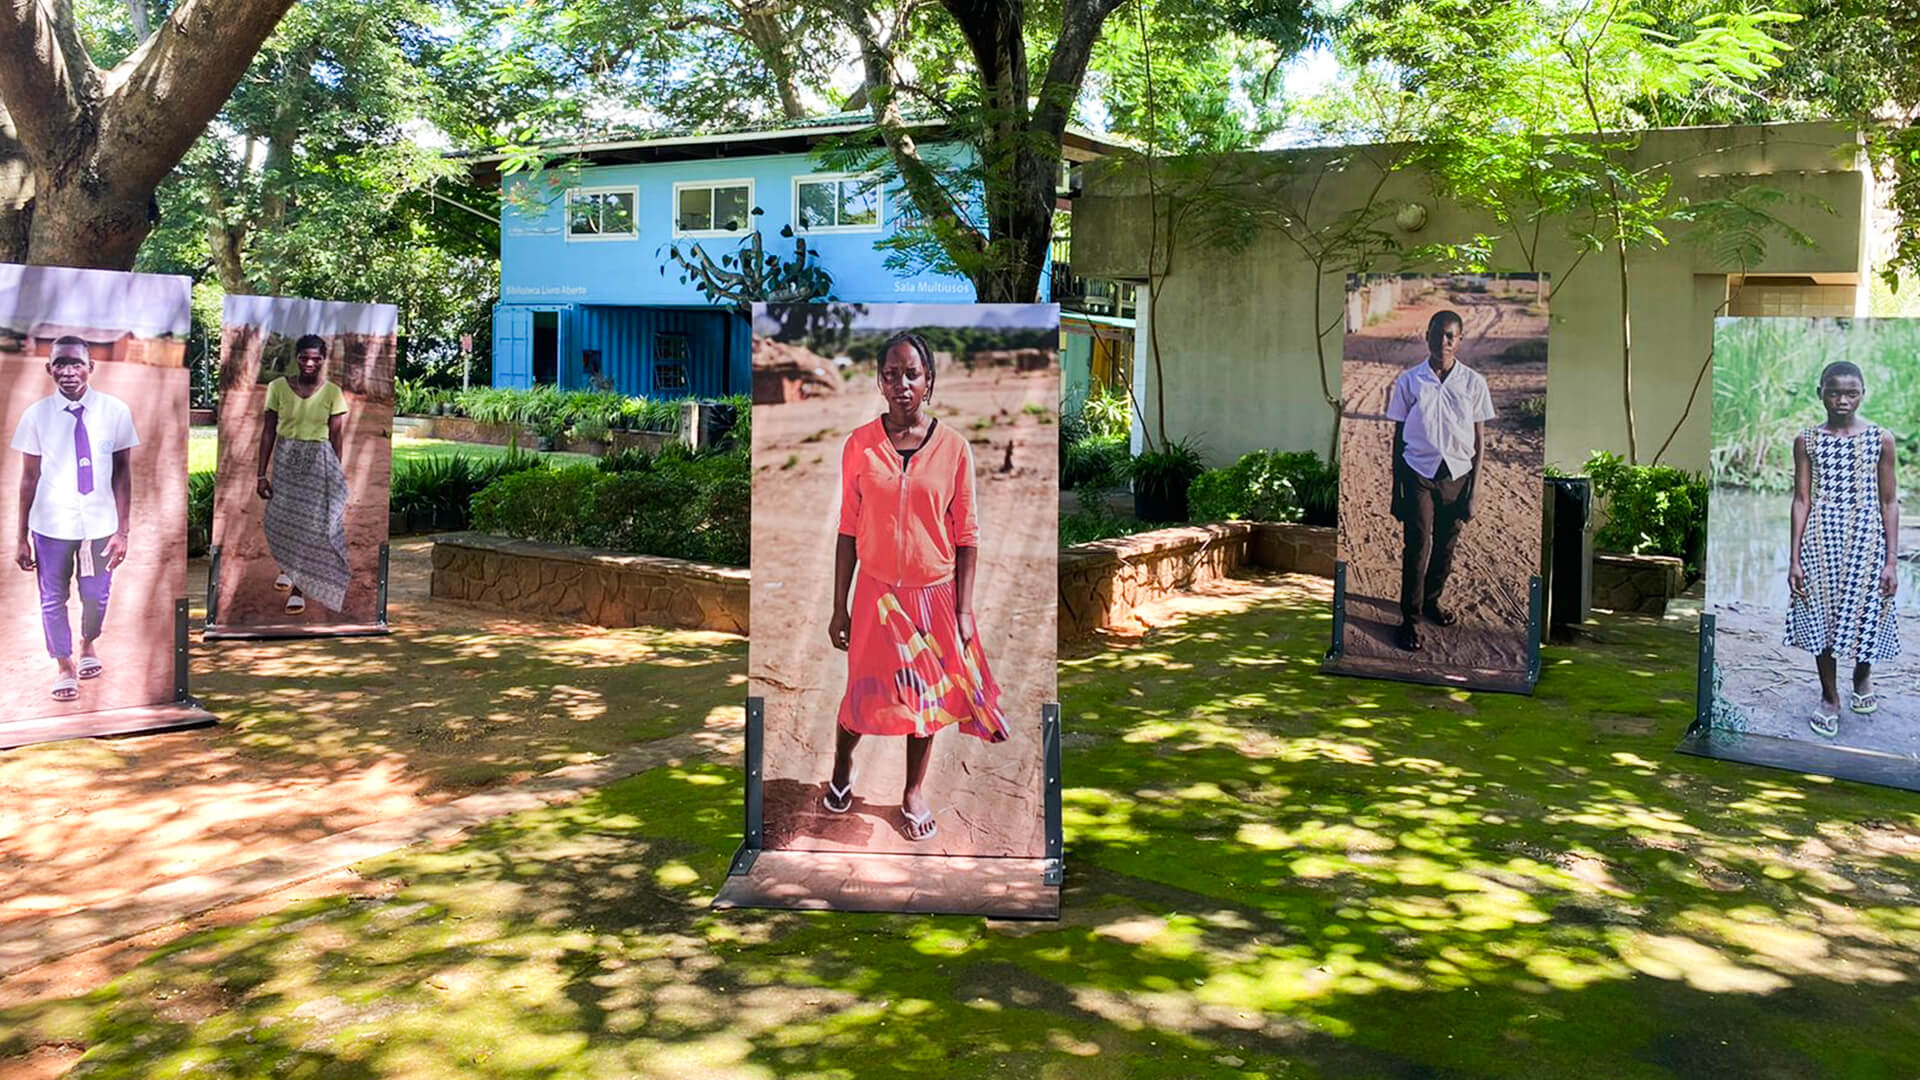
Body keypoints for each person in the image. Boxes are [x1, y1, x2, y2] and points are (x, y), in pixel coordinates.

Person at [823, 331, 1008, 842]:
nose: (901, 384)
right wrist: (839, 607)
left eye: (912, 374)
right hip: (876, 594)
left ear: (929, 382)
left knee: (924, 703)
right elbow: (848, 530)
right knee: (862, 695)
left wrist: (964, 612)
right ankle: (842, 768)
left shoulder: (954, 449)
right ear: (879, 381)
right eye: (890, 374)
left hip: (933, 596)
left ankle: (912, 793)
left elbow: (967, 535)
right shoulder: (859, 445)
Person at [12, 336, 138, 702]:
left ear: (90, 367)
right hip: (51, 525)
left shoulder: (115, 411)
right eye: (61, 364)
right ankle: (64, 664)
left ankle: (87, 644)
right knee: (52, 598)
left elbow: (123, 473)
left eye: (76, 363)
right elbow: (28, 478)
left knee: (96, 596)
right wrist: (21, 536)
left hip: (100, 524)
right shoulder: (36, 416)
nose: (69, 371)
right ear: (48, 368)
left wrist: (123, 531)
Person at [1787, 360, 1900, 738]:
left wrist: (1891, 561)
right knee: (1821, 615)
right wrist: (1794, 558)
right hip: (1822, 535)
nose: (1842, 400)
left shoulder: (1880, 439)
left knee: (1869, 606)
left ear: (1862, 394)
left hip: (1867, 535)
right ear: (1820, 392)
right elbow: (1802, 499)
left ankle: (1862, 676)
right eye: (1833, 392)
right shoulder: (1808, 440)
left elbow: (1889, 501)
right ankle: (1829, 697)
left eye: (1851, 393)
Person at [1387, 309, 1495, 652]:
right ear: (1427, 337)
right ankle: (1411, 619)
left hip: (1457, 477)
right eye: (1437, 334)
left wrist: (1474, 492)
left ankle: (1432, 602)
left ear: (1460, 340)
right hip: (1418, 474)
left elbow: (1479, 442)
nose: (1443, 341)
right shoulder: (1409, 381)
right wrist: (1396, 490)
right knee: (1418, 546)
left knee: (1446, 548)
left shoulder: (1473, 383)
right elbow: (1398, 436)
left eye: (1450, 335)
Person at [256, 334, 350, 616]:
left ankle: (298, 588)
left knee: (310, 525)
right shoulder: (277, 388)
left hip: (318, 460)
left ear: (323, 360)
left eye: (316, 358)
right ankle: (286, 567)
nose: (310, 363)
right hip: (286, 458)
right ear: (296, 357)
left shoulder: (332, 392)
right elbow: (269, 430)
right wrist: (261, 474)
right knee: (281, 518)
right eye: (304, 357)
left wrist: (335, 474)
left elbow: (336, 435)